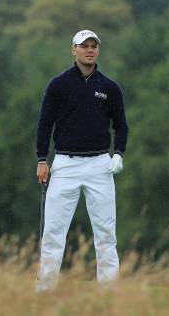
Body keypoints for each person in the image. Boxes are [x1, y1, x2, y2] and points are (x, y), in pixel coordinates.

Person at [35, 29, 128, 291]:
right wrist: (42, 159)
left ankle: (109, 291)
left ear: (98, 50)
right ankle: (45, 289)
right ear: (73, 49)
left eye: (93, 46)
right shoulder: (59, 84)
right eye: (84, 45)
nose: (89, 50)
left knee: (106, 234)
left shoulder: (109, 87)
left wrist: (119, 153)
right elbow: (45, 124)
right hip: (65, 164)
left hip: (100, 164)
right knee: (53, 232)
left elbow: (121, 126)